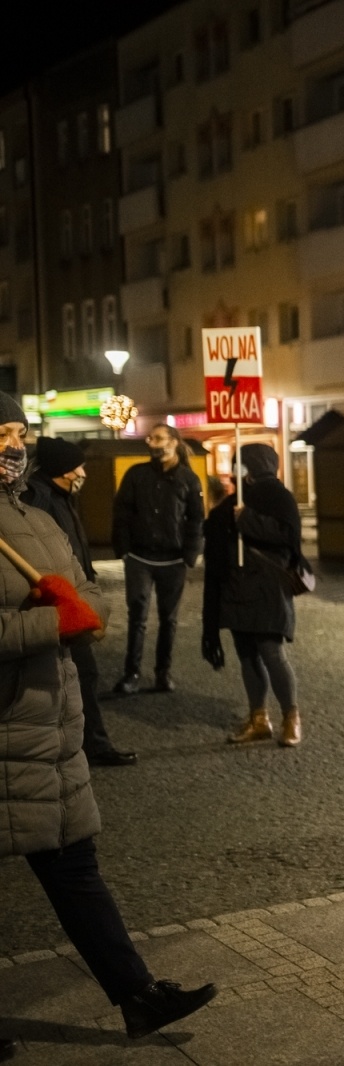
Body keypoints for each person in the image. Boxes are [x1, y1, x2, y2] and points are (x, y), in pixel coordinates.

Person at [0, 393, 214, 1051]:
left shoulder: (36, 517)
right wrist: (48, 622)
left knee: (75, 869)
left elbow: (87, 587)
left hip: (52, 732)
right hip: (6, 730)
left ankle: (137, 996)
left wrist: (76, 606)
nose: (12, 447)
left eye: (17, 434)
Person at [23, 438, 138, 767]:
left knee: (80, 675)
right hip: (60, 603)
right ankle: (88, 745)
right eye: (78, 466)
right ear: (61, 469)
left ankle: (85, 743)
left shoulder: (59, 496)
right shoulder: (40, 500)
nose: (82, 472)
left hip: (74, 598)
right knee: (79, 675)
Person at [204, 444, 305, 748]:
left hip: (267, 587)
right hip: (236, 586)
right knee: (247, 655)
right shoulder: (232, 501)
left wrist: (247, 519)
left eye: (241, 463)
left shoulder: (278, 496)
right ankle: (258, 718)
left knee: (271, 652)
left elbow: (288, 537)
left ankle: (291, 717)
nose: (236, 469)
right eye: (236, 463)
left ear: (257, 465)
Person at [110, 425, 203, 695]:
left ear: (173, 442)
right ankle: (132, 674)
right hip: (139, 557)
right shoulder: (136, 474)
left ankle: (163, 673)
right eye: (150, 438)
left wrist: (190, 555)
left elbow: (196, 518)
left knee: (168, 619)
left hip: (173, 561)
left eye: (158, 438)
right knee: (137, 617)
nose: (151, 442)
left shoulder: (188, 478)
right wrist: (123, 550)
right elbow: (122, 514)